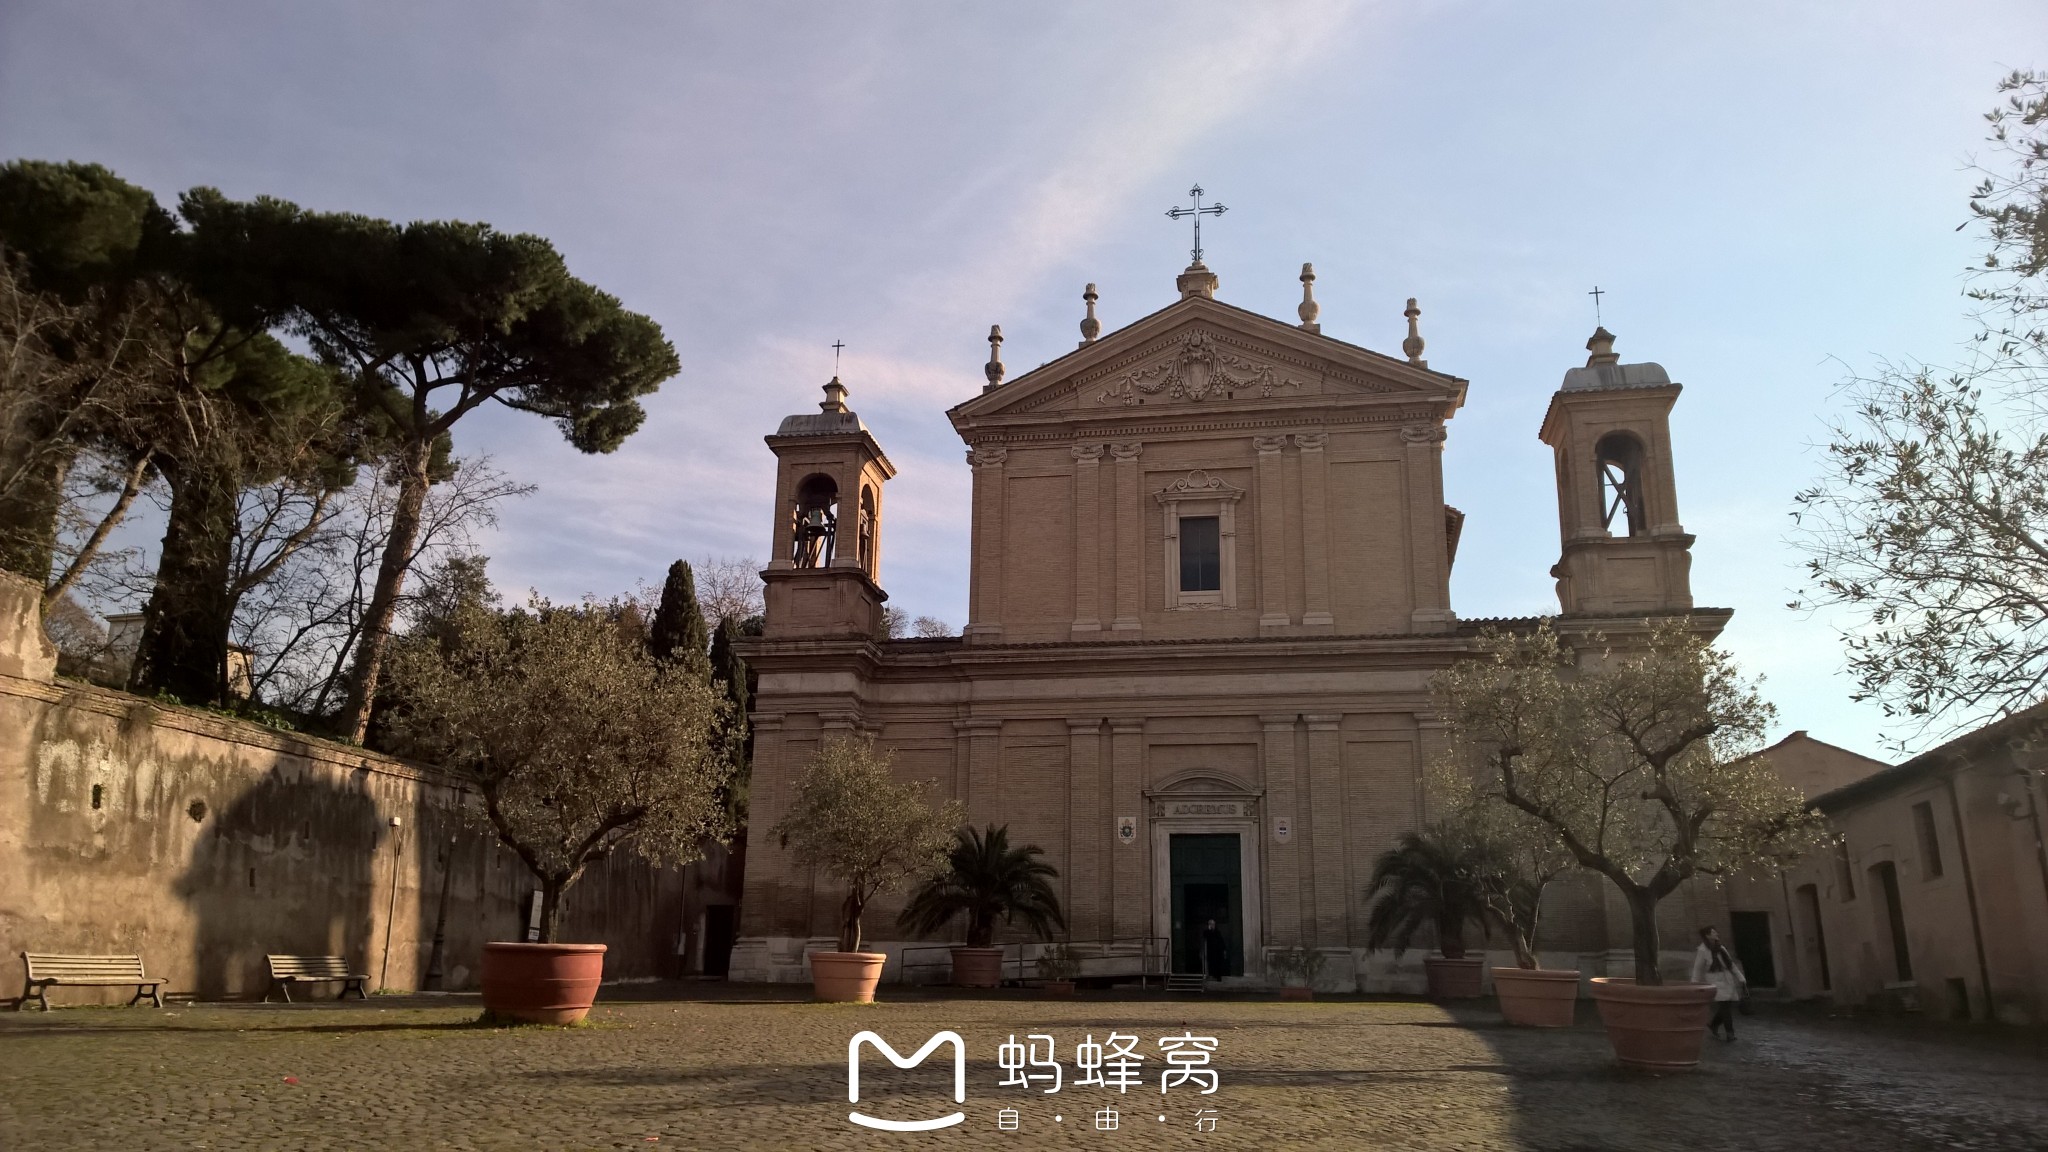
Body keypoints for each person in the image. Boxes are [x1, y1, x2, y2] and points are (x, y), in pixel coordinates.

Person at [1691, 925, 1747, 1040]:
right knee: (1725, 1006)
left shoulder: (1721, 948)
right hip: (1714, 981)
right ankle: (1730, 1033)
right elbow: (1698, 968)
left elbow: (1730, 964)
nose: (1716, 934)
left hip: (1727, 979)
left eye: (1716, 932)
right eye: (1713, 932)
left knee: (1726, 1006)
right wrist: (1694, 983)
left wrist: (1741, 978)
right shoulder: (1702, 950)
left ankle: (1713, 1025)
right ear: (1707, 935)